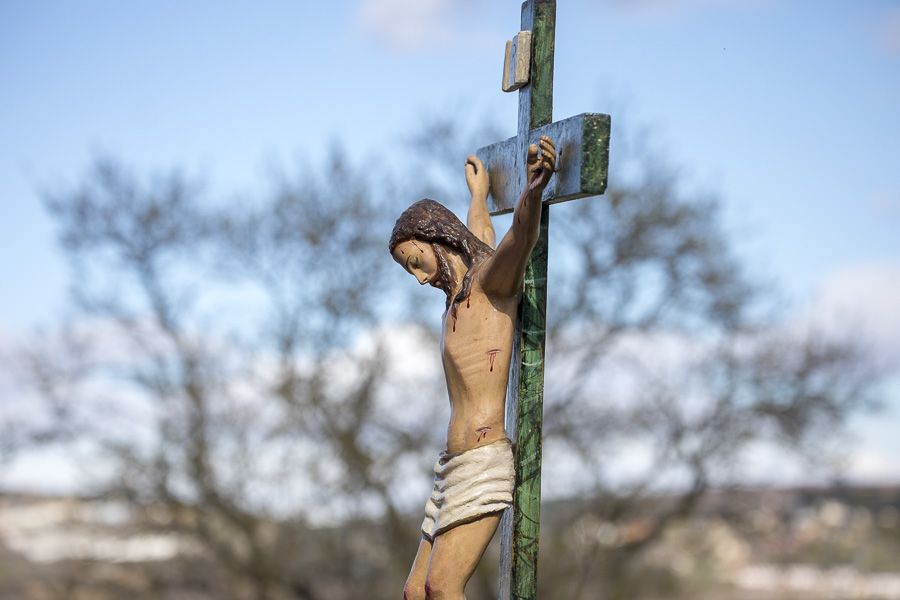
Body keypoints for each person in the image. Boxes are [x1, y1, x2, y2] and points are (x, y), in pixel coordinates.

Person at [390, 136, 556, 600]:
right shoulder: (458, 294)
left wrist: (533, 191)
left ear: (436, 238)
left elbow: (518, 239)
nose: (420, 277)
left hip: (483, 461)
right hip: (451, 466)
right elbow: (478, 234)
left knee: (443, 587)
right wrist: (479, 196)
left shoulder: (492, 286)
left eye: (416, 261)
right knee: (415, 592)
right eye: (409, 270)